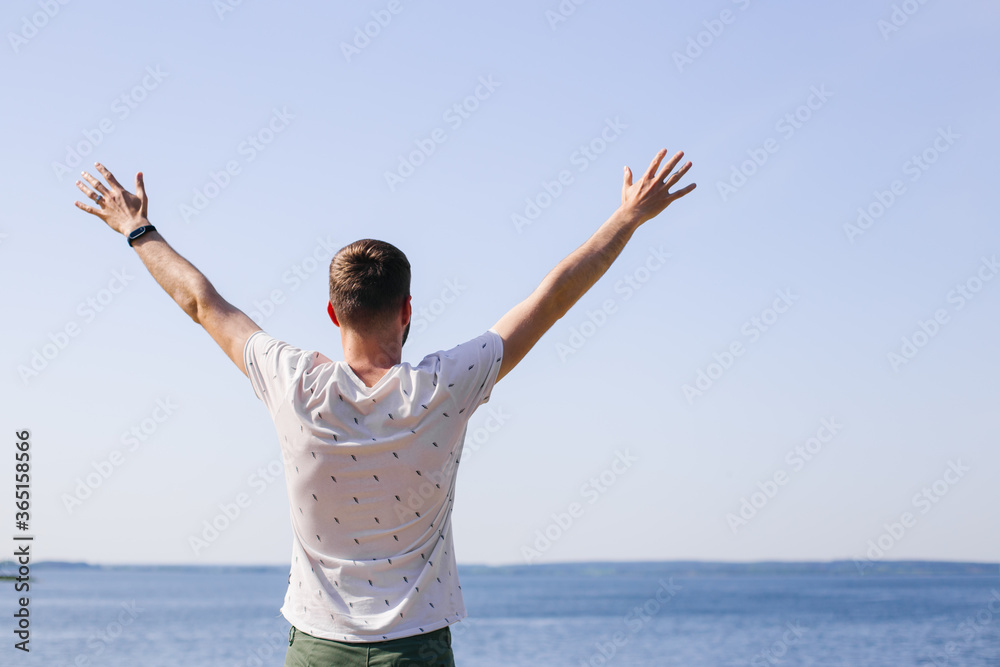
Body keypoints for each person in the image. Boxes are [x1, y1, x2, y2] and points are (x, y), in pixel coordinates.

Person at [73, 148, 695, 666]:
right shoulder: (447, 385)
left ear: (332, 313)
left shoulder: (291, 381)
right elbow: (554, 297)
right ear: (406, 310)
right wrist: (629, 217)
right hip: (415, 651)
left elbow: (201, 303)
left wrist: (137, 230)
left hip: (318, 650)